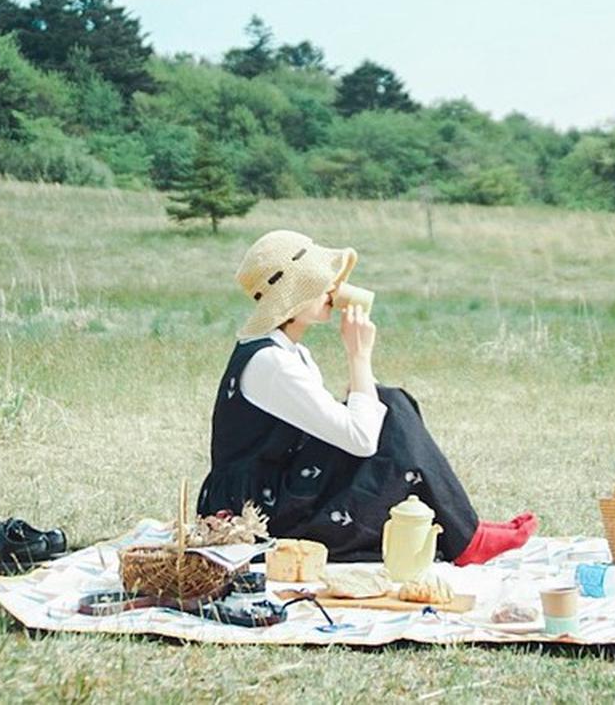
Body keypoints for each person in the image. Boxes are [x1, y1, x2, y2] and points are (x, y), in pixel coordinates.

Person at [196, 229, 537, 565]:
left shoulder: (290, 353)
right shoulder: (271, 363)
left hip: (277, 485)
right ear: (292, 298)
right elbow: (360, 439)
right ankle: (466, 537)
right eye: (320, 283)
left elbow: (351, 425)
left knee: (389, 404)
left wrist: (363, 381)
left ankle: (460, 526)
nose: (333, 288)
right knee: (390, 410)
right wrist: (358, 356)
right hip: (256, 512)